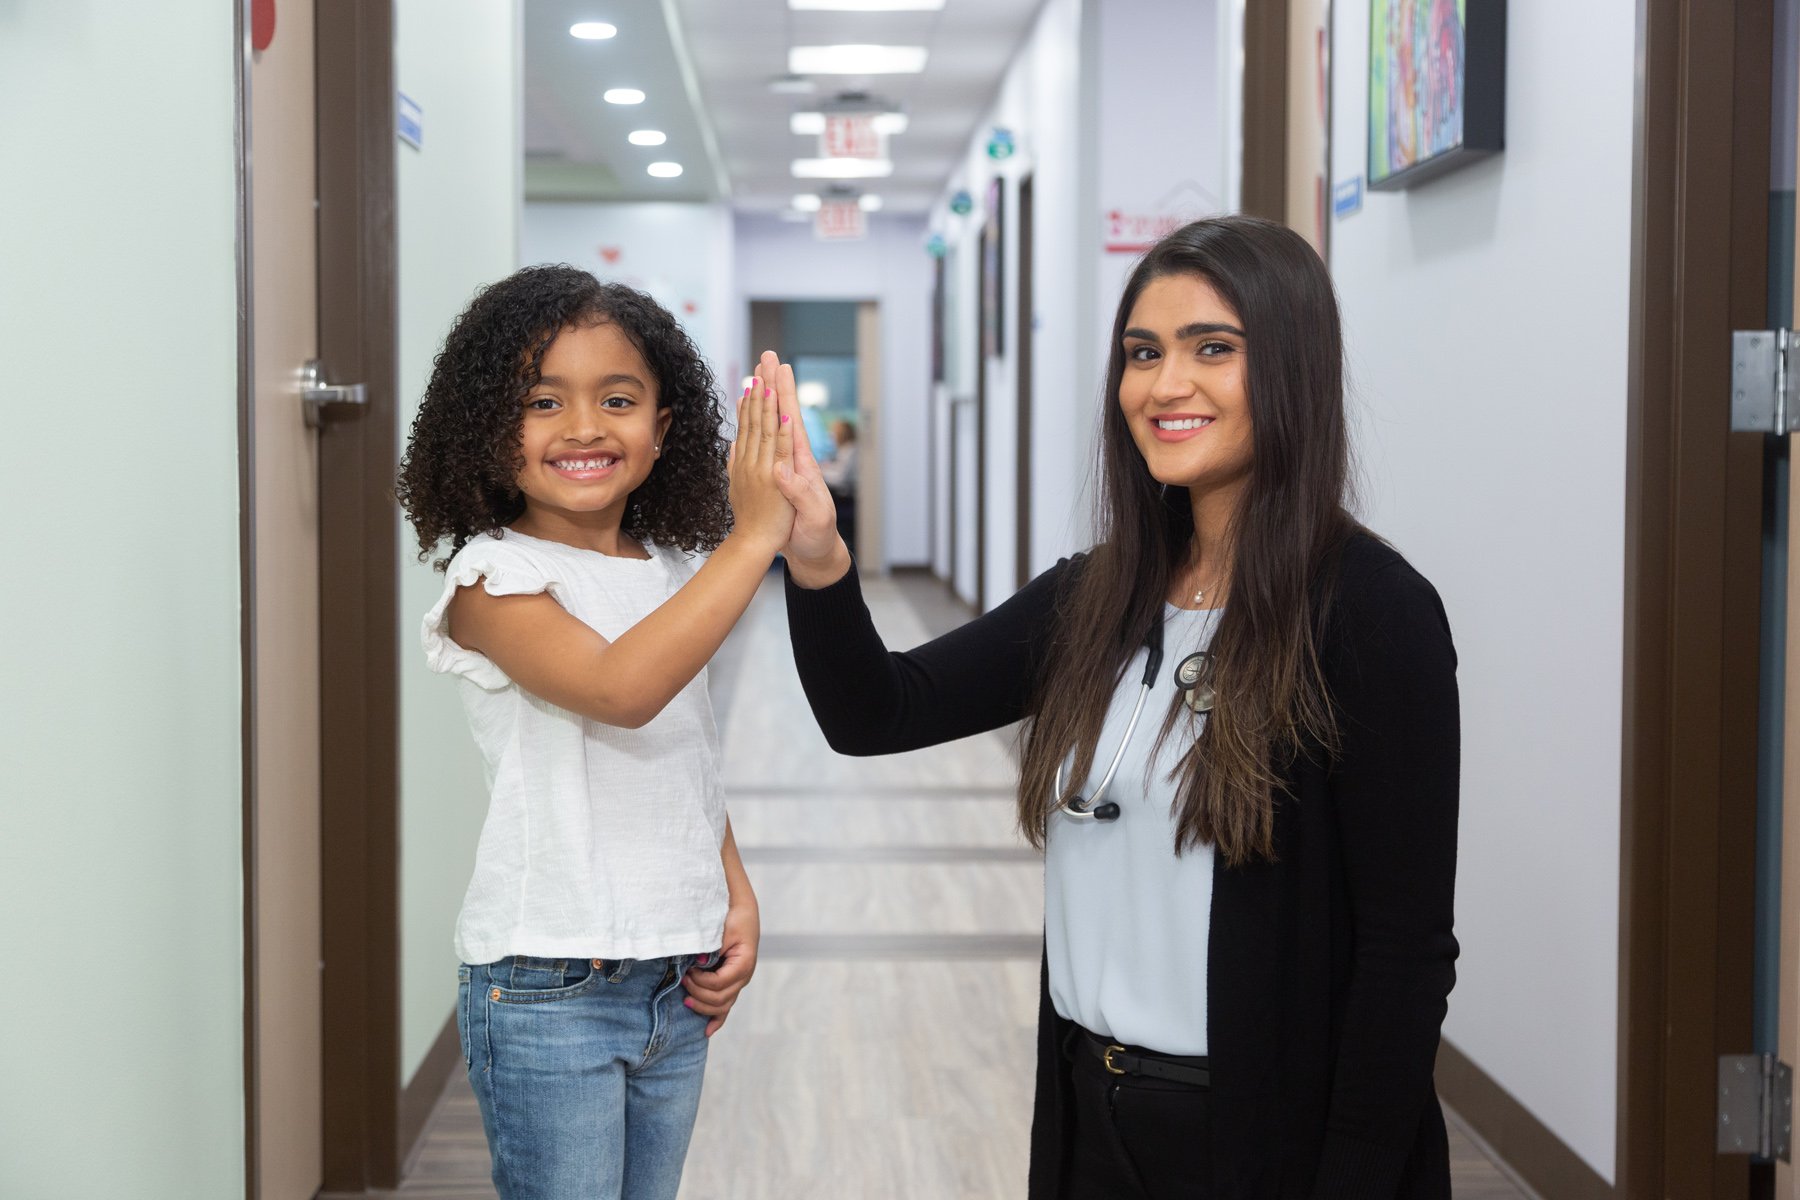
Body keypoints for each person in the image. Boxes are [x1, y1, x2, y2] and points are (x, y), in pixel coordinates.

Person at [766, 215, 1459, 1198]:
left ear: (1294, 366)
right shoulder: (1096, 596)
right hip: (1092, 1113)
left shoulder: (1371, 615)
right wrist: (819, 558)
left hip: (1266, 1140)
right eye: (1143, 353)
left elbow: (1404, 954)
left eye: (1211, 348)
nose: (1163, 385)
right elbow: (878, 711)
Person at [396, 266, 794, 1200]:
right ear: (491, 431)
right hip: (547, 984)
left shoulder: (668, 569)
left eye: (618, 399)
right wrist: (752, 540)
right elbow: (625, 692)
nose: (583, 427)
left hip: (674, 973)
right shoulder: (493, 581)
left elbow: (685, 753)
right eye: (543, 402)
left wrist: (730, 891)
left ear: (661, 429)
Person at [820, 417, 858, 558]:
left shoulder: (850, 451)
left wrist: (820, 471)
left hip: (845, 496)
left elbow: (840, 477)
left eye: (834, 432)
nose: (832, 436)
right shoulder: (844, 450)